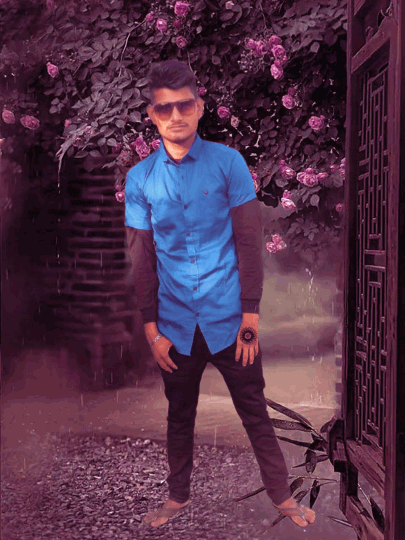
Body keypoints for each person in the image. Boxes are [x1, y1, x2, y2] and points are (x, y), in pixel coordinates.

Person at [125, 59, 316, 529]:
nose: (175, 115)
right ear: (152, 114)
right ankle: (177, 497)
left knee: (254, 412)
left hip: (230, 320)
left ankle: (282, 498)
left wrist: (250, 316)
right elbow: (141, 257)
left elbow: (249, 243)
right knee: (179, 415)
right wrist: (152, 330)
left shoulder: (229, 163)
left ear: (199, 106)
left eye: (184, 105)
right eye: (164, 108)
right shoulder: (140, 179)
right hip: (174, 325)